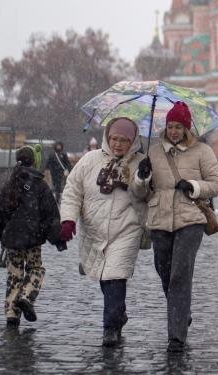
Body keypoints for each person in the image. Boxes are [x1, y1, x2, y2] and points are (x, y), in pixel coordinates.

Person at [132, 102, 218, 353]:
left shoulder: (202, 151)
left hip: (190, 219)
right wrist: (142, 177)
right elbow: (139, 193)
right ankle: (182, 312)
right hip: (160, 218)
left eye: (178, 127)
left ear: (186, 128)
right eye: (170, 126)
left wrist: (194, 185)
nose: (173, 131)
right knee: (165, 272)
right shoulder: (152, 151)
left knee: (180, 275)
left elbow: (217, 184)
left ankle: (176, 337)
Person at [60, 117, 146, 347]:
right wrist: (68, 219)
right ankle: (118, 313)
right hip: (94, 230)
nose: (118, 144)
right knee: (104, 277)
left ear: (133, 141)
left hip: (126, 229)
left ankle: (110, 328)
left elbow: (144, 196)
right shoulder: (90, 160)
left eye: (124, 140)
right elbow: (72, 190)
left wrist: (142, 177)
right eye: (114, 139)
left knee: (114, 275)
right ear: (107, 138)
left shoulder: (141, 162)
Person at [0, 145, 65, 327]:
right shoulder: (40, 185)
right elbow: (51, 215)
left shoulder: (9, 183)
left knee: (14, 274)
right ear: (35, 162)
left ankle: (12, 313)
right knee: (35, 268)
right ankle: (27, 296)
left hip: (12, 239)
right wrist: (57, 239)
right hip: (32, 238)